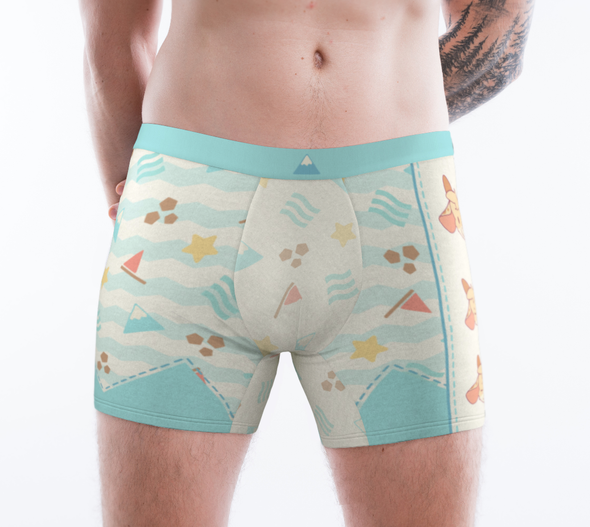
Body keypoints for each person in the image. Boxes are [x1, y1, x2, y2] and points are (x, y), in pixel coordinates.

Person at [79, 0, 533, 525]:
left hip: (397, 207)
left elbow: (500, 29)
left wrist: (368, 106)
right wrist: (133, 197)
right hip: (187, 202)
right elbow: (113, 39)